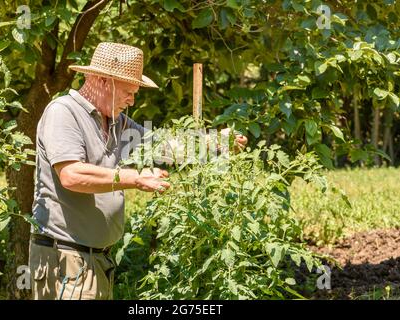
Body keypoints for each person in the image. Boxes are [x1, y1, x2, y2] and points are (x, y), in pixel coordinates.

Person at [28, 42, 247, 300]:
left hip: (97, 260)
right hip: (65, 259)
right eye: (128, 91)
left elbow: (164, 146)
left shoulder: (118, 123)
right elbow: (72, 175)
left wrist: (215, 143)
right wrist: (134, 178)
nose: (132, 99)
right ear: (101, 80)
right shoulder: (64, 112)